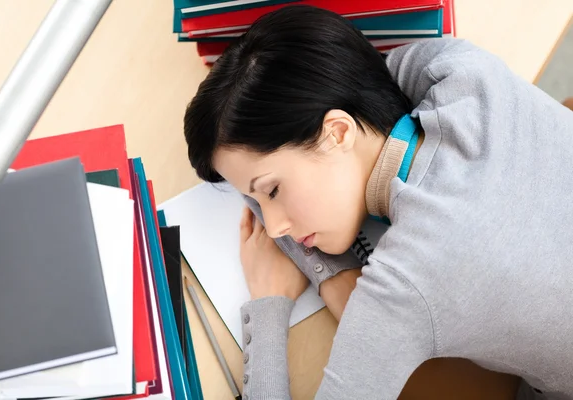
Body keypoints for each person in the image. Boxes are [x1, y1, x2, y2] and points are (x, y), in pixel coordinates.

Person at [183, 5, 573, 400]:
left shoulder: (409, 278)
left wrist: (269, 304)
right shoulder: (454, 65)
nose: (275, 226)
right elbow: (368, 78)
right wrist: (331, 272)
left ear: (337, 132)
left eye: (272, 191)